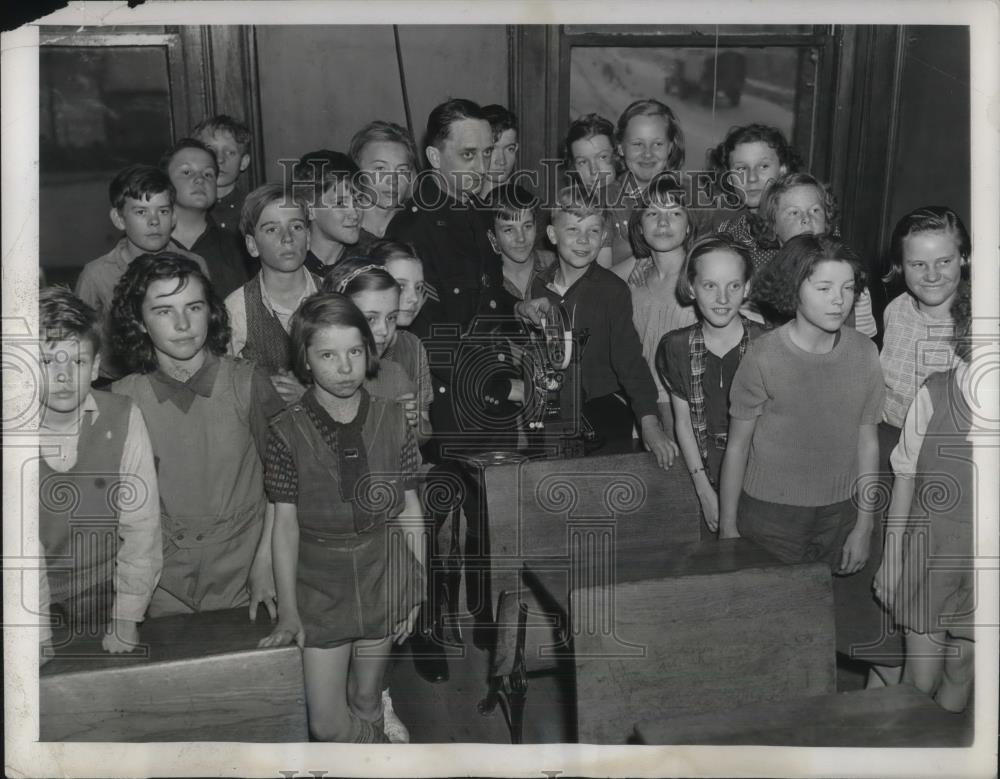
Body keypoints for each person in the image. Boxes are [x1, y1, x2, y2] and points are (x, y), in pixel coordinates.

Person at [258, 293, 425, 743]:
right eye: (328, 355)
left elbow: (409, 508)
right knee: (326, 724)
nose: (345, 367)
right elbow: (285, 525)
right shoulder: (285, 430)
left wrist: (416, 584)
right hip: (319, 586)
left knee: (369, 699)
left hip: (383, 572)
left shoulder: (393, 419)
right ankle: (377, 756)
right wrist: (290, 611)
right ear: (306, 361)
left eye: (354, 351)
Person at [109, 253, 284, 618]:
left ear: (211, 311)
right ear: (139, 322)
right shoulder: (123, 399)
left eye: (194, 307)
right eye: (163, 311)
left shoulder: (247, 383)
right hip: (161, 583)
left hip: (246, 574)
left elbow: (286, 485)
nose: (183, 323)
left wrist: (266, 563)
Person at [849, 205, 971, 687]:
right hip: (888, 458)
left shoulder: (978, 322)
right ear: (901, 266)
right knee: (881, 591)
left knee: (930, 607)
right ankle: (883, 696)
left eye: (945, 261)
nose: (932, 274)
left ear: (964, 258)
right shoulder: (896, 309)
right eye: (918, 264)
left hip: (944, 471)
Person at [718, 235, 884, 587]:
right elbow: (737, 447)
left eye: (848, 288)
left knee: (823, 621)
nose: (838, 300)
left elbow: (867, 442)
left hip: (841, 513)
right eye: (824, 288)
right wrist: (728, 528)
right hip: (770, 517)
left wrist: (864, 524)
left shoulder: (865, 352)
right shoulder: (763, 357)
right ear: (795, 288)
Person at [37, 287, 162, 653]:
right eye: (46, 362)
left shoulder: (123, 416)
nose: (62, 376)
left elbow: (142, 529)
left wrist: (126, 619)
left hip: (102, 585)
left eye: (75, 362)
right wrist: (37, 635)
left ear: (93, 368)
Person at [873, 280, 975, 712]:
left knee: (963, 667)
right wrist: (891, 560)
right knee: (920, 680)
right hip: (929, 553)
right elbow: (905, 479)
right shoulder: (935, 392)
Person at [529, 186, 678, 467]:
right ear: (552, 235)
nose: (583, 240)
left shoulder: (613, 291)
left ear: (604, 237)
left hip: (602, 408)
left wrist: (649, 423)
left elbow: (630, 361)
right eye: (573, 230)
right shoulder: (539, 285)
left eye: (593, 231)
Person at [656, 235, 766, 537]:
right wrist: (703, 490)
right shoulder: (675, 346)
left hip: (758, 475)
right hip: (702, 470)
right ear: (691, 287)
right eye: (710, 286)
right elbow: (684, 423)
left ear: (747, 287)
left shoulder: (766, 343)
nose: (722, 298)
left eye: (733, 286)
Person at [75, 164, 209, 380]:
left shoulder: (194, 265)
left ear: (174, 217)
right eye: (141, 212)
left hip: (184, 378)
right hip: (116, 384)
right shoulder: (96, 274)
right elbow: (79, 342)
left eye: (163, 211)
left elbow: (208, 330)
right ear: (119, 219)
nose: (154, 221)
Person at [613, 175, 698, 434]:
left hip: (689, 411)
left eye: (674, 213)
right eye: (652, 214)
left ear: (688, 226)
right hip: (641, 410)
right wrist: (637, 261)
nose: (662, 222)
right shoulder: (634, 282)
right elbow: (592, 284)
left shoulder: (702, 279)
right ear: (639, 227)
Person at [752, 172, 877, 336]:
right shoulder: (761, 286)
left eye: (815, 210)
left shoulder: (850, 282)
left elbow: (864, 345)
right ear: (773, 225)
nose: (806, 218)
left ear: (827, 221)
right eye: (793, 212)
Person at [225, 184, 318, 402]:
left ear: (309, 237)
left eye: (296, 226)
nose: (287, 238)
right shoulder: (236, 309)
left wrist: (310, 398)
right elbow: (227, 393)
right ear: (252, 245)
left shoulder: (336, 294)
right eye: (271, 229)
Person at [162, 138, 250, 298]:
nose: (200, 179)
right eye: (187, 172)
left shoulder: (239, 248)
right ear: (165, 183)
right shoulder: (147, 244)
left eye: (208, 174)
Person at [606, 99, 685, 264]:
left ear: (671, 146)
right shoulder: (604, 201)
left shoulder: (690, 197)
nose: (647, 154)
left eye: (657, 144)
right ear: (620, 147)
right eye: (637, 144)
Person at [709, 124, 803, 262]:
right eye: (741, 168)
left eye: (763, 166)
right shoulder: (727, 232)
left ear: (783, 168)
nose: (752, 178)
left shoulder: (806, 220)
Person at [562, 112, 621, 269]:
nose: (594, 170)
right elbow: (605, 277)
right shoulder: (585, 208)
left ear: (617, 154)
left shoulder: (636, 194)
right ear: (573, 167)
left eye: (602, 157)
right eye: (582, 162)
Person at [293, 150, 363, 277]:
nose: (355, 214)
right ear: (310, 209)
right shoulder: (290, 265)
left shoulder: (369, 259)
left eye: (358, 200)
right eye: (340, 203)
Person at [349, 121, 418, 243]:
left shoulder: (419, 228)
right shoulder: (341, 233)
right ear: (356, 170)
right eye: (380, 169)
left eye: (402, 171)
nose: (393, 180)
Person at [487, 190, 555, 302]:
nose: (521, 238)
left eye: (527, 226)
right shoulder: (485, 279)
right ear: (492, 235)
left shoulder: (555, 265)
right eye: (509, 230)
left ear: (536, 225)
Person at [193, 114, 253, 236]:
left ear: (243, 162)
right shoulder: (183, 209)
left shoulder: (254, 209)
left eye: (230, 152)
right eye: (211, 151)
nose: (220, 159)